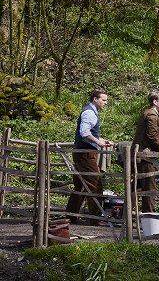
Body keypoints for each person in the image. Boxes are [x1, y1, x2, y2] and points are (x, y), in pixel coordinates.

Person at [66, 89, 113, 226]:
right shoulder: (89, 113)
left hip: (83, 152)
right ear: (95, 99)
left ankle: (70, 216)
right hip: (85, 153)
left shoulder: (91, 112)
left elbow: (89, 134)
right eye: (103, 100)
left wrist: (101, 140)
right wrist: (98, 142)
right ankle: (96, 219)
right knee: (95, 184)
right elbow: (84, 133)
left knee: (80, 185)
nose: (105, 102)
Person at [132, 90, 159, 213]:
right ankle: (149, 216)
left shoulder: (149, 113)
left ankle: (126, 215)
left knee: (137, 187)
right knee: (150, 188)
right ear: (155, 102)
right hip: (144, 156)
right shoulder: (152, 115)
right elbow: (152, 136)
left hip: (140, 155)